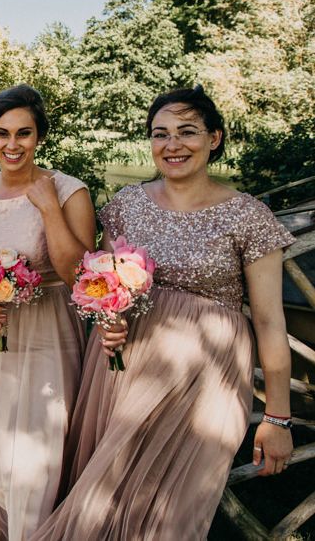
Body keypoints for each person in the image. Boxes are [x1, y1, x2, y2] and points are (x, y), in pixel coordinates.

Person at [32, 85, 295, 540]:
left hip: (207, 375)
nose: (172, 145)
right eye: (160, 134)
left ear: (214, 138)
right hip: (125, 363)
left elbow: (271, 322)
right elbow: (105, 282)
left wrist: (276, 418)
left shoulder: (248, 217)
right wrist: (108, 320)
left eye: (187, 132)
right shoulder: (127, 206)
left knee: (176, 508)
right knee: (101, 494)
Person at [0, 84, 96, 541]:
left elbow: (82, 275)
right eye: (1, 133)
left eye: (24, 133)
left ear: (40, 136)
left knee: (38, 447)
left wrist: (49, 207)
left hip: (47, 328)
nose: (12, 145)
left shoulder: (69, 190)